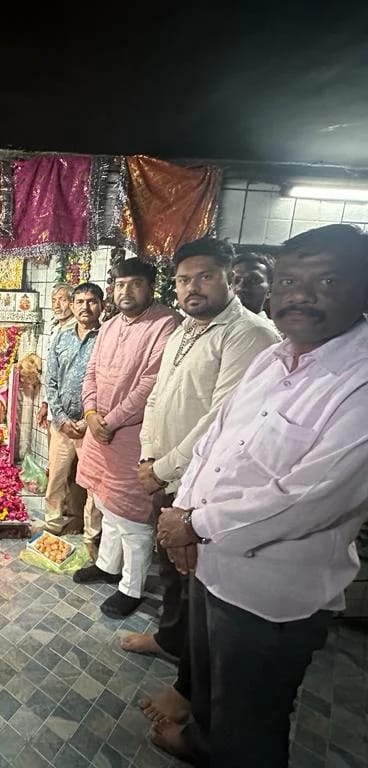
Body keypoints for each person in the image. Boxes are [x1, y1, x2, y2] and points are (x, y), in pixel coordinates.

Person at [150, 223, 368, 767]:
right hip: (210, 561)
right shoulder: (275, 357)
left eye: (327, 281)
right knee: (211, 687)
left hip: (270, 591)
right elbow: (216, 438)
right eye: (289, 281)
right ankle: (202, 742)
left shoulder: (358, 381)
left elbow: (311, 497)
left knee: (250, 717)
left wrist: (192, 524)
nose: (302, 295)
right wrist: (183, 512)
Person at [121, 237, 279, 723]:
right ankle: (170, 641)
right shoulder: (185, 329)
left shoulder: (250, 335)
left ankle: (189, 689)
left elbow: (221, 421)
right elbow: (158, 396)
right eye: (184, 279)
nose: (193, 287)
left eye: (205, 276)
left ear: (230, 277)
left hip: (205, 485)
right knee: (174, 571)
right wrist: (148, 456)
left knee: (200, 588)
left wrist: (161, 469)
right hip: (167, 473)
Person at [74, 259, 181, 617]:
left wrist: (111, 421)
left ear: (151, 286)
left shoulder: (166, 324)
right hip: (100, 432)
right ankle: (107, 565)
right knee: (106, 504)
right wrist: (91, 414)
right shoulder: (108, 326)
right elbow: (91, 372)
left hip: (132, 436)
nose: (126, 291)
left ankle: (131, 588)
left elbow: (150, 384)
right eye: (120, 284)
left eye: (135, 284)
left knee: (132, 518)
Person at [44, 282, 103, 545]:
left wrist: (87, 421)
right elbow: (51, 380)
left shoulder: (107, 339)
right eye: (79, 302)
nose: (85, 307)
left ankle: (92, 536)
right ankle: (52, 525)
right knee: (56, 478)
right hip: (62, 426)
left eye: (91, 301)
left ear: (102, 305)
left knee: (93, 484)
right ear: (72, 305)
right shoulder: (62, 337)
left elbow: (109, 384)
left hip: (92, 426)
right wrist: (60, 418)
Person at [36, 283, 76, 432]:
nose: (57, 305)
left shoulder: (77, 329)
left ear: (72, 303)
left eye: (62, 300)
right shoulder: (56, 329)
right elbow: (52, 373)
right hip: (54, 404)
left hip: (71, 409)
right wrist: (46, 404)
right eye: (54, 300)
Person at [232, 250, 276, 325]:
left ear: (270, 290)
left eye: (253, 280)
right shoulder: (216, 328)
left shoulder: (275, 331)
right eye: (236, 281)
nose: (240, 288)